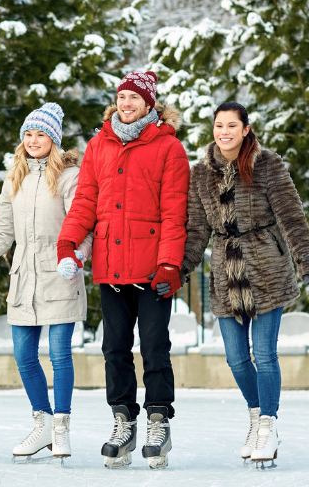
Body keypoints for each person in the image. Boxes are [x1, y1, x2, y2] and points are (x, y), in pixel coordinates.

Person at [55, 71, 190, 469]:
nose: (127, 103)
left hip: (152, 271)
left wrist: (169, 264)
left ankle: (158, 419)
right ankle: (123, 420)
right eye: (122, 97)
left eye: (135, 97)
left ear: (150, 104)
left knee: (153, 347)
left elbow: (174, 213)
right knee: (114, 349)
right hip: (111, 267)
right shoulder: (99, 145)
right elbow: (85, 202)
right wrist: (69, 241)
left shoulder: (169, 148)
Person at [181, 102, 309, 469]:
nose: (224, 131)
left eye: (232, 125)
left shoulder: (268, 165)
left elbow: (292, 216)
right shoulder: (200, 174)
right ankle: (255, 414)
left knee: (264, 355)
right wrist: (179, 270)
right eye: (219, 125)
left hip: (266, 268)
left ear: (246, 129)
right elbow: (197, 230)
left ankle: (268, 425)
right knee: (235, 357)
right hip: (225, 274)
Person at [0, 103, 91, 462]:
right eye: (28, 134)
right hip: (24, 279)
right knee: (24, 355)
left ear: (53, 139)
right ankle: (41, 423)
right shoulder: (14, 178)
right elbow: (1, 232)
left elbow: (85, 225)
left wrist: (76, 257)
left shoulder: (70, 176)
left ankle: (60, 428)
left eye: (41, 134)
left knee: (58, 354)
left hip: (60, 274)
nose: (33, 140)